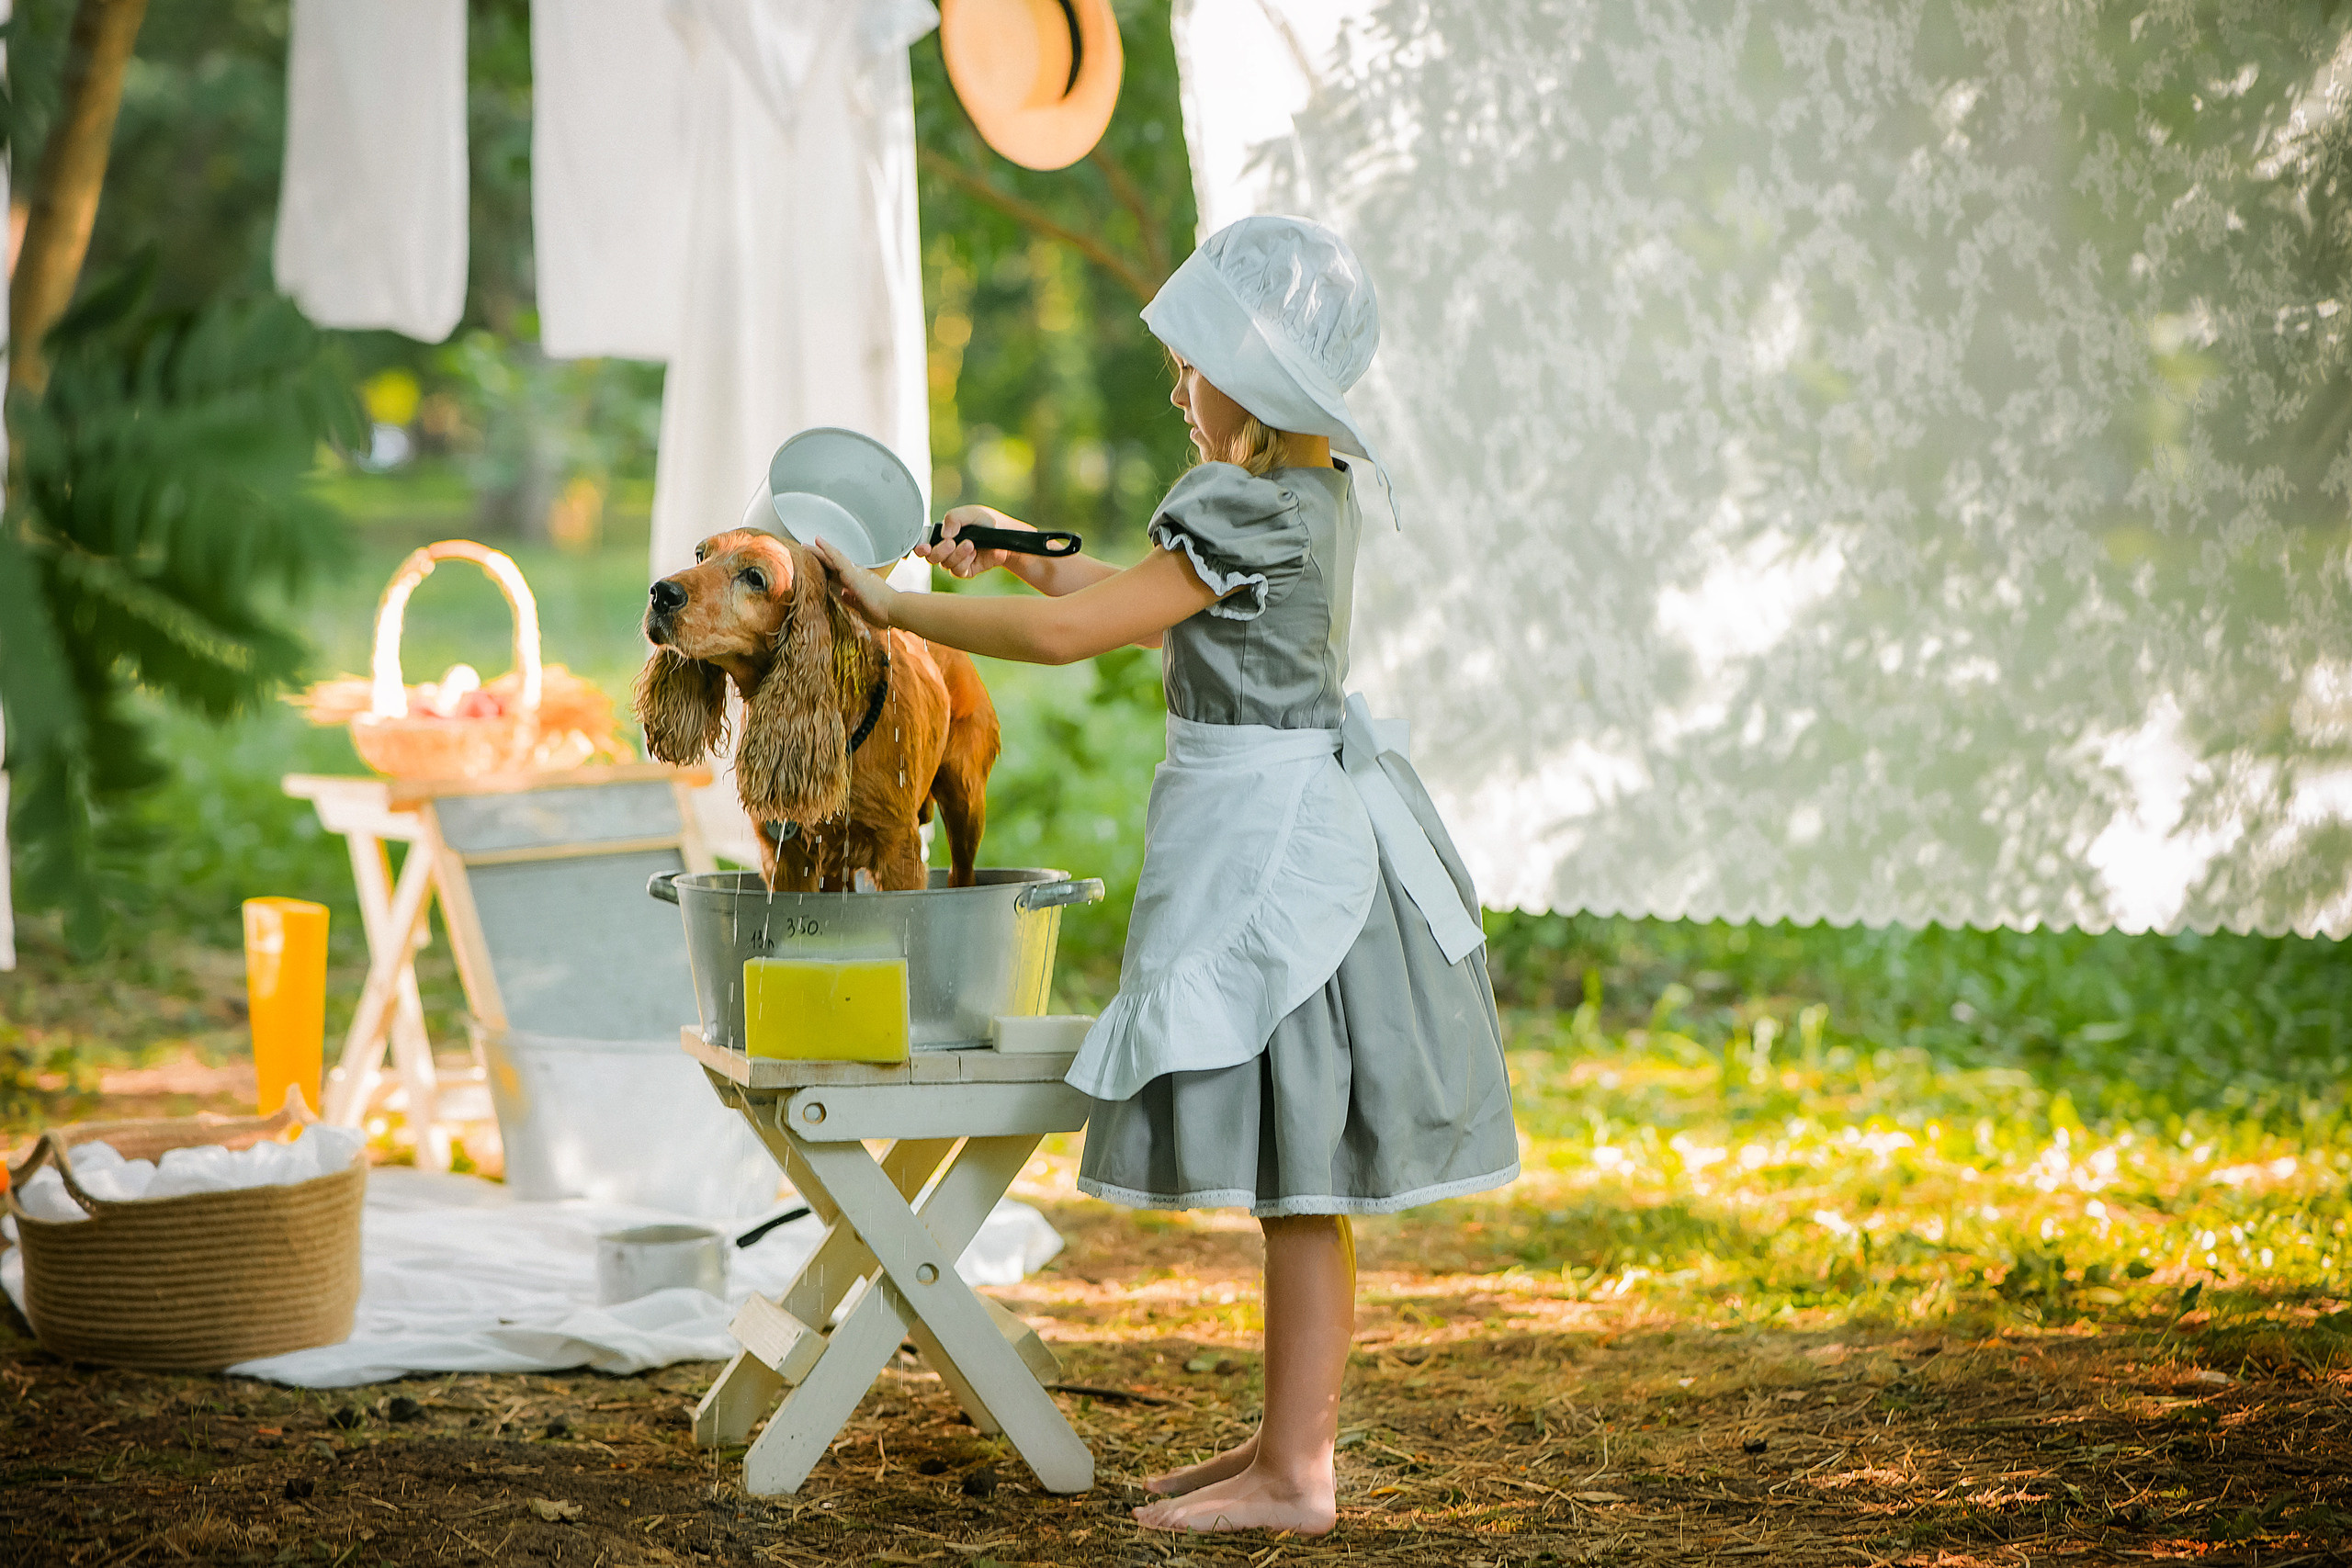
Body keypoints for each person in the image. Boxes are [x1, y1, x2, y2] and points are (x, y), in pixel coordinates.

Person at [814, 215, 1519, 1536]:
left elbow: (1082, 631)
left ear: (1250, 382)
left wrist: (897, 605)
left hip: (1275, 855)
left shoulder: (1244, 505)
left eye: (1191, 365)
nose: (1178, 390)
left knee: (1302, 1181)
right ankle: (1279, 1445)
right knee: (1294, 1184)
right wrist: (1014, 547)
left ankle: (1297, 1477)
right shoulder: (1309, 495)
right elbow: (1129, 593)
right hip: (1278, 820)